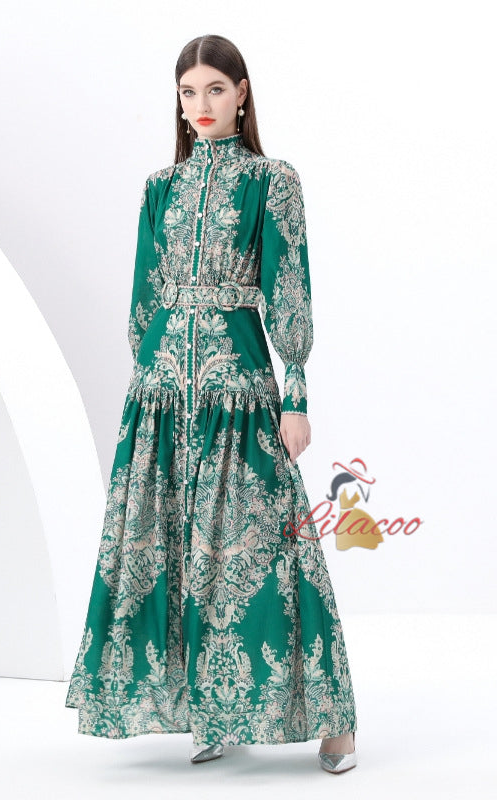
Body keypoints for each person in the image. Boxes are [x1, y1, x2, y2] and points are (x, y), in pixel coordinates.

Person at [65, 33, 357, 773]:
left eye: (215, 90)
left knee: (272, 551)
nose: (201, 104)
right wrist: (148, 382)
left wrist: (295, 393)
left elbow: (289, 286)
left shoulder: (272, 181)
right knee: (172, 551)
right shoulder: (159, 188)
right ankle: (210, 712)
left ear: (242, 93)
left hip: (240, 390)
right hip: (163, 396)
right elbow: (143, 297)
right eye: (188, 92)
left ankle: (334, 722)